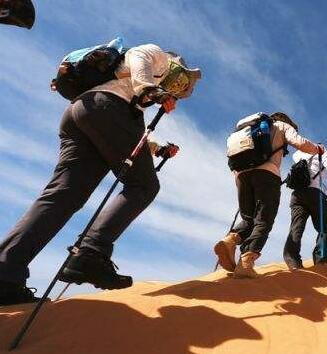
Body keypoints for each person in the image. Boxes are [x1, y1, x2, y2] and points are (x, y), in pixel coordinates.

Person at [0, 44, 199, 306]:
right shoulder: (156, 56)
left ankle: (5, 276)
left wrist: (157, 148)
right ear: (175, 65)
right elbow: (138, 61)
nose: (178, 86)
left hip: (81, 112)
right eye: (182, 79)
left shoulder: (125, 83)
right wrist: (149, 88)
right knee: (143, 186)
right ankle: (90, 253)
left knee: (62, 196)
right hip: (106, 109)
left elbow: (124, 133)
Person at [215, 112, 323, 279]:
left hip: (240, 174)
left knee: (248, 218)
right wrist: (317, 149)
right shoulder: (281, 126)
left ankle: (230, 240)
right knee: (264, 220)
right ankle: (246, 264)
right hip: (267, 173)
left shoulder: (249, 127)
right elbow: (299, 142)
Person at [283, 148, 327, 270]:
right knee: (325, 228)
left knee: (296, 227)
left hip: (297, 194)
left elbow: (296, 155)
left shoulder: (299, 154)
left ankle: (292, 261)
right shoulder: (322, 154)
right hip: (315, 194)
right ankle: (320, 259)